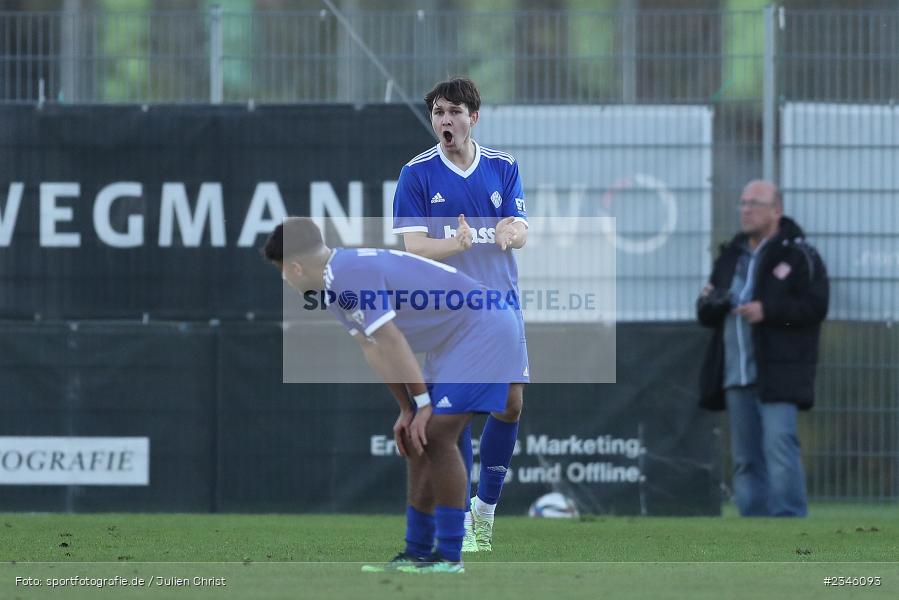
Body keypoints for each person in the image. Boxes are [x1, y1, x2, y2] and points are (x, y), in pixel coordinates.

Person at [262, 217, 521, 573]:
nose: (284, 279)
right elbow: (374, 349)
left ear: (294, 266)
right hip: (461, 336)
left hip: (484, 326)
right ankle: (416, 552)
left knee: (437, 434)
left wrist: (424, 404)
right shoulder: (335, 282)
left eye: (281, 271)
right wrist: (407, 407)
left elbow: (393, 341)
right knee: (419, 440)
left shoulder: (347, 274)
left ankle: (448, 556)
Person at [392, 77, 529, 552]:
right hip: (448, 311)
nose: (444, 121)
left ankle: (484, 514)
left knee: (510, 403)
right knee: (454, 419)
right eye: (437, 113)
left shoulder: (503, 167)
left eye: (453, 112)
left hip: (500, 303)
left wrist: (512, 236)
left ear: (474, 116)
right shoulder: (417, 173)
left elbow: (519, 229)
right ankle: (455, 528)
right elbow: (412, 246)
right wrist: (455, 244)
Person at [697, 180, 828, 517]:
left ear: (776, 210)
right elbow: (705, 312)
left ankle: (789, 523)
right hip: (735, 371)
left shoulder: (799, 256)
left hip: (778, 372)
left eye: (754, 203)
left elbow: (815, 308)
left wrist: (767, 312)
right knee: (745, 459)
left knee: (780, 446)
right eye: (742, 202)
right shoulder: (730, 255)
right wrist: (713, 301)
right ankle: (753, 528)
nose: (746, 209)